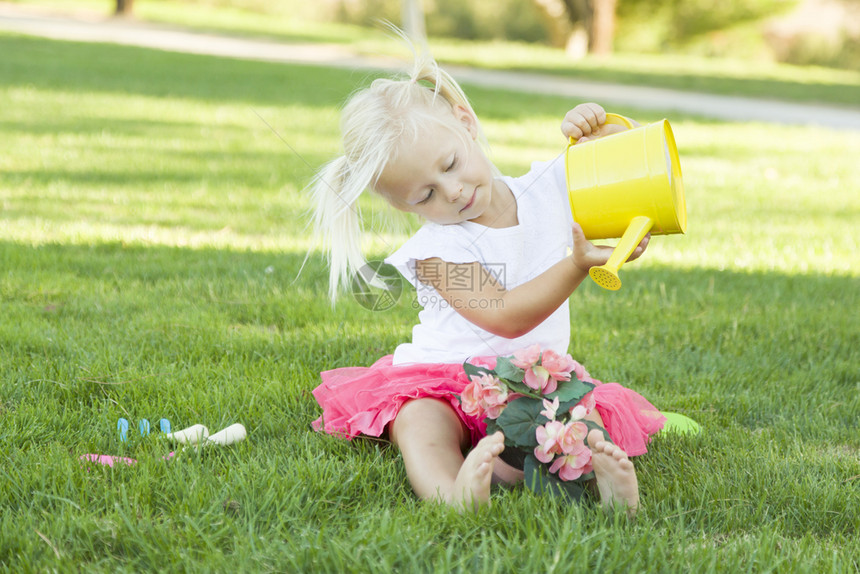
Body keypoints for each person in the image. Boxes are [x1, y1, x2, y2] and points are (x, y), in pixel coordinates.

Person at [309, 49, 665, 513]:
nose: (452, 191)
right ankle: (450, 491)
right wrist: (577, 265)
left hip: (534, 379)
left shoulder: (550, 186)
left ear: (466, 122)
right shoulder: (433, 254)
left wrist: (604, 129)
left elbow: (626, 162)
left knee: (578, 412)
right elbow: (505, 316)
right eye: (426, 194)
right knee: (418, 422)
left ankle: (603, 484)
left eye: (451, 164)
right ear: (404, 206)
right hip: (445, 382)